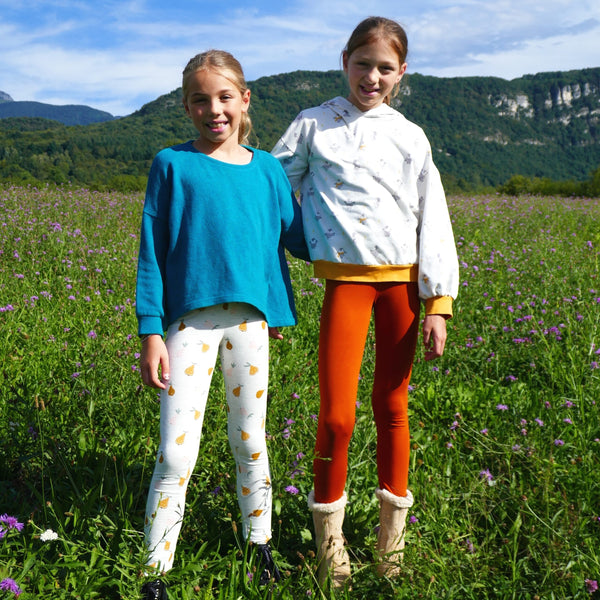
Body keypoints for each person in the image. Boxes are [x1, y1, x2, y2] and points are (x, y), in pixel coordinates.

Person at [272, 16, 459, 588]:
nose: (371, 77)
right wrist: (289, 254)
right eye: (362, 64)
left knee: (394, 407)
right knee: (336, 416)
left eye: (384, 68)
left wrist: (438, 302)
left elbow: (434, 218)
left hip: (403, 287)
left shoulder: (411, 135)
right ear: (344, 61)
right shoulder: (313, 124)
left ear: (401, 73)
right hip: (346, 285)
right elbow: (273, 189)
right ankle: (330, 547)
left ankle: (390, 547)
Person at [136, 49, 309, 600]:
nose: (215, 110)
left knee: (250, 440)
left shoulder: (268, 170)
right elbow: (152, 252)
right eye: (201, 100)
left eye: (225, 97)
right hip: (187, 327)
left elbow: (298, 239)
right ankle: (153, 573)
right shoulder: (172, 164)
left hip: (250, 325)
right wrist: (150, 331)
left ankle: (259, 547)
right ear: (186, 106)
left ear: (245, 100)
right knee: (174, 454)